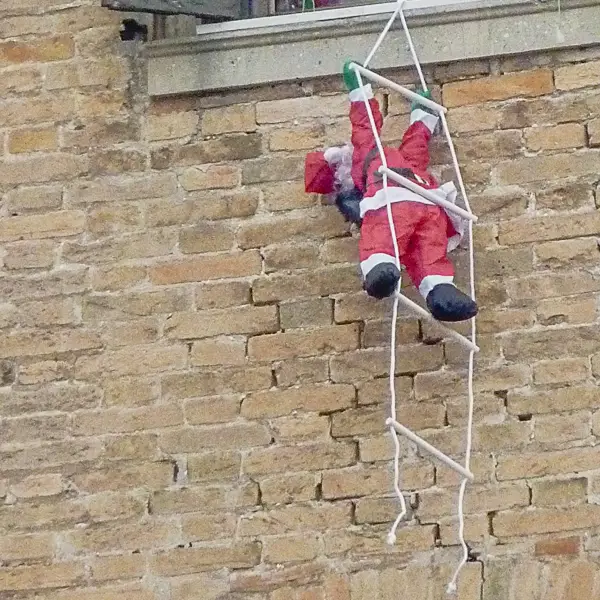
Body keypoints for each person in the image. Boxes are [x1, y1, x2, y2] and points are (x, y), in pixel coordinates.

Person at [305, 61, 478, 323]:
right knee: (411, 244)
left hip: (421, 201)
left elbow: (373, 130)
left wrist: (360, 90)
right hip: (411, 203)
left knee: (418, 245)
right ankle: (392, 272)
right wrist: (361, 91)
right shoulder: (370, 165)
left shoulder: (375, 159)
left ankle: (439, 290)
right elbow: (373, 132)